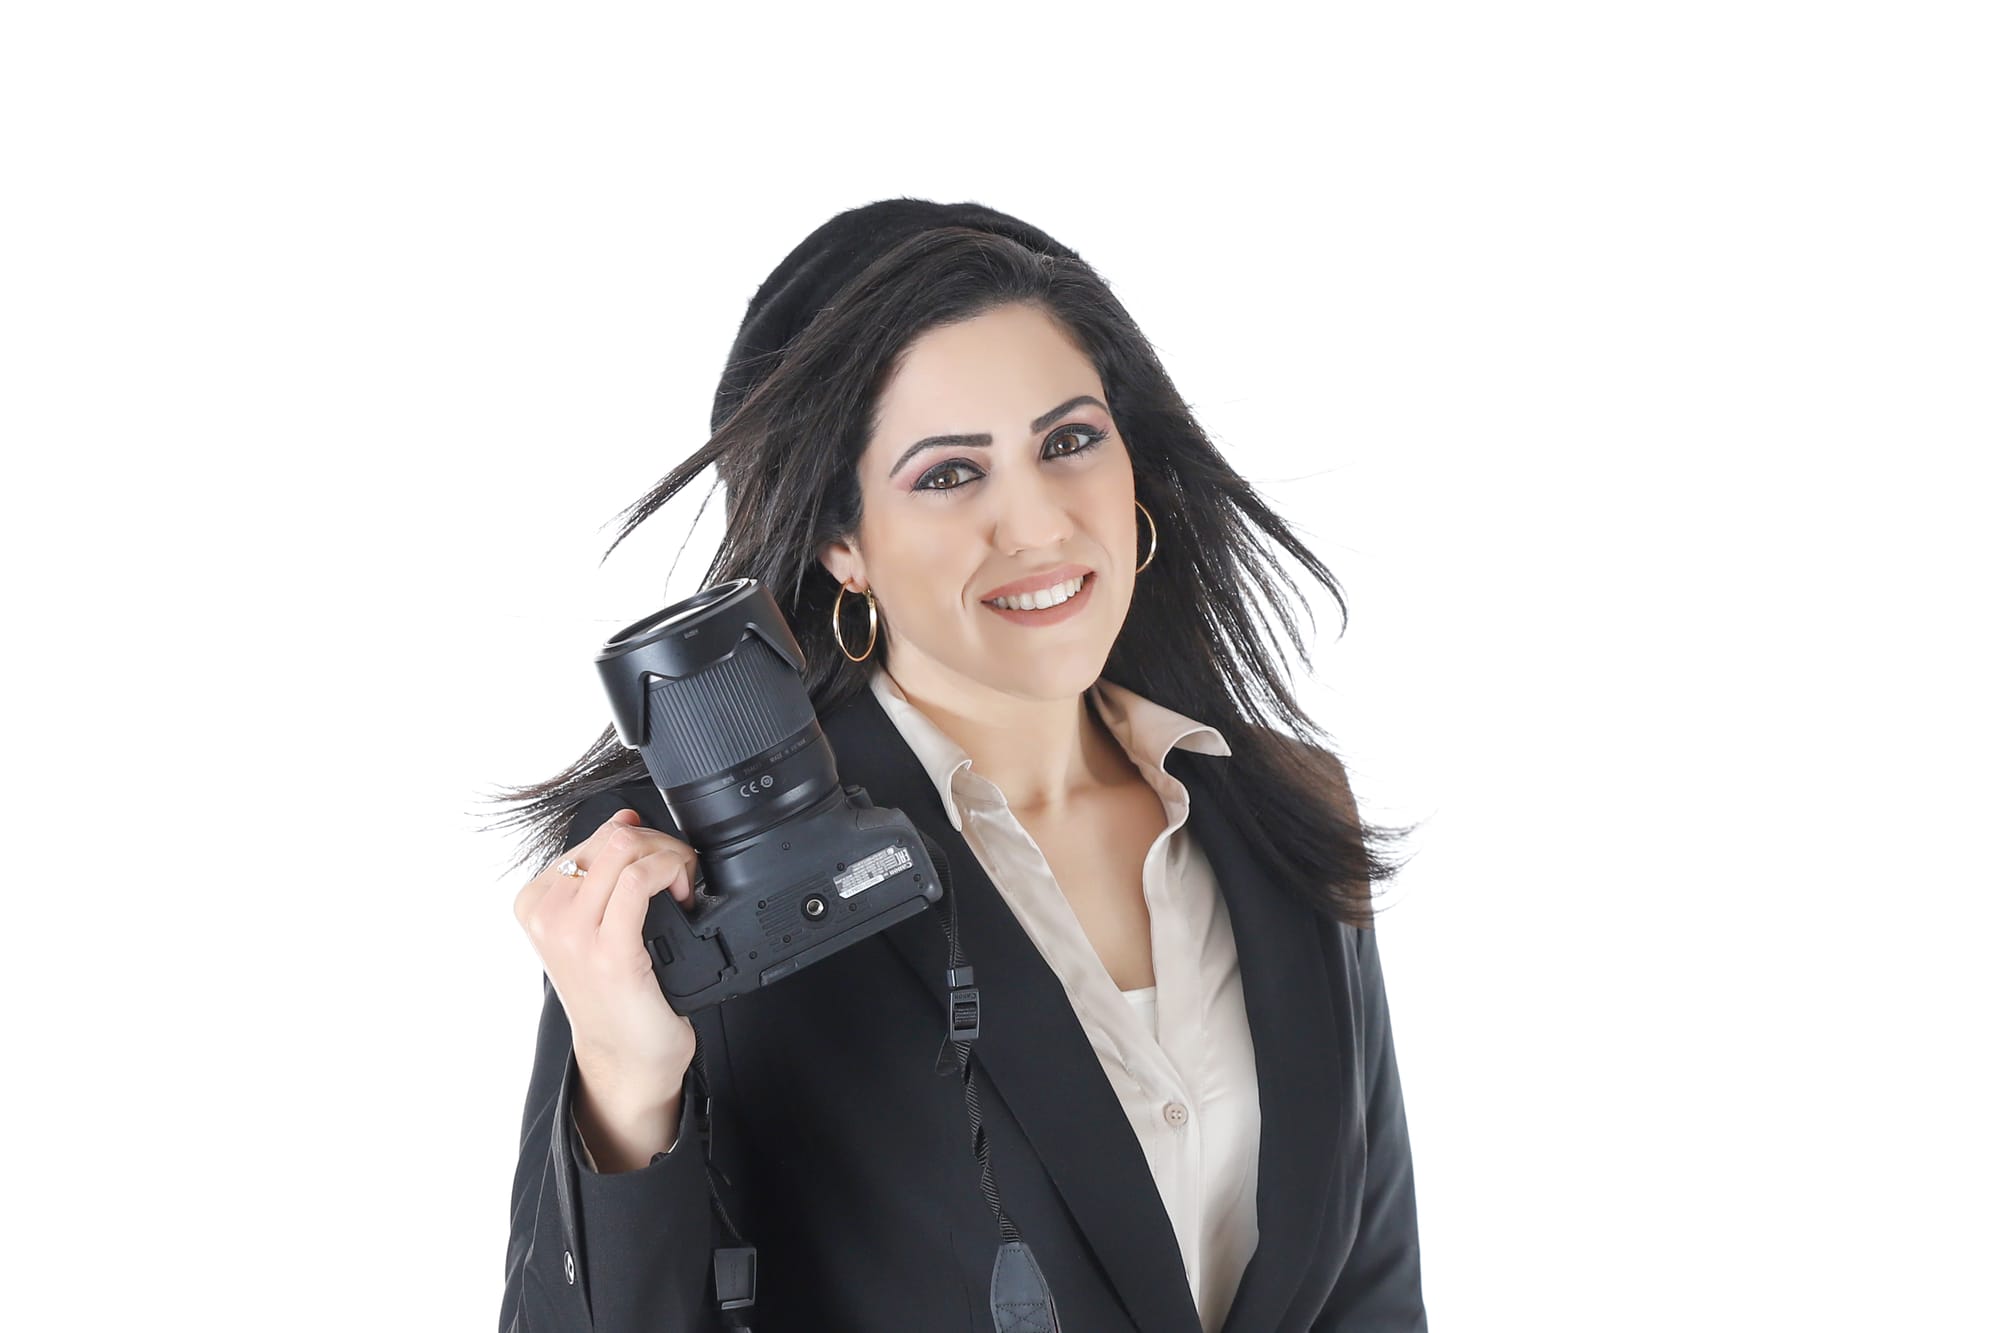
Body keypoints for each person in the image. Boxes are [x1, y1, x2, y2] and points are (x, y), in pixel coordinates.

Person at [491, 197, 1427, 1332]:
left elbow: (1370, 1293)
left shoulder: (1282, 810)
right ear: (841, 542)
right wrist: (624, 1084)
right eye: (947, 474)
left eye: (1069, 442)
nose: (1036, 525)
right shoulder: (705, 883)